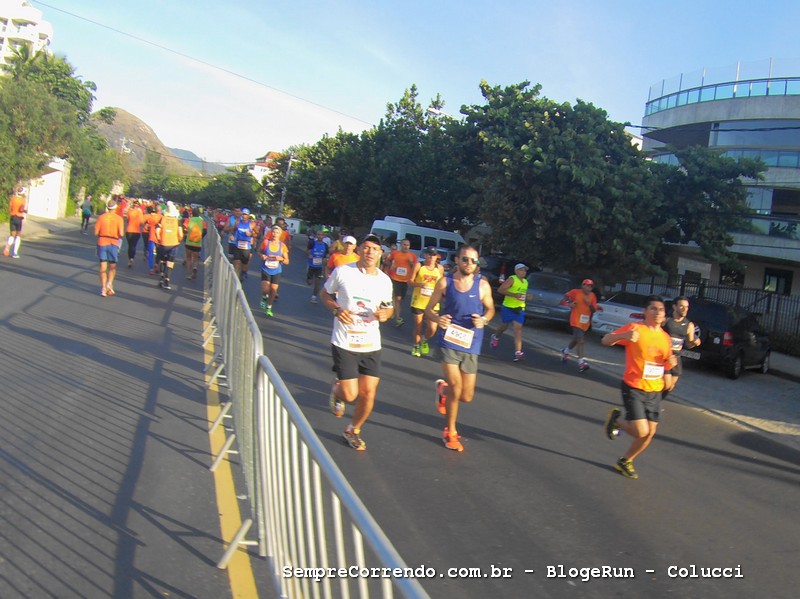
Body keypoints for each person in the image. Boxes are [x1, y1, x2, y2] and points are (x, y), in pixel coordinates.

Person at [320, 234, 394, 451]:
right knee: (351, 394)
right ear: (359, 250)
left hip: (371, 343)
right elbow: (325, 294)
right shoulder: (343, 272)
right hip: (345, 341)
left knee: (369, 392)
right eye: (367, 247)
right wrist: (336, 309)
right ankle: (337, 391)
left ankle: (353, 429)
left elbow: (388, 307)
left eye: (375, 249)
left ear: (381, 254)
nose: (370, 252)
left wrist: (386, 315)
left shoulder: (384, 280)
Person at [425, 245, 495, 452]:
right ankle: (450, 431)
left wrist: (484, 320)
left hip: (472, 343)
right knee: (456, 387)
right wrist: (438, 319)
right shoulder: (445, 282)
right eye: (465, 260)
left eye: (474, 261)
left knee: (466, 396)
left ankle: (442, 390)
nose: (469, 264)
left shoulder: (482, 285)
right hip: (449, 340)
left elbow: (490, 310)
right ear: (457, 260)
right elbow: (428, 309)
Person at [602, 295, 677, 479]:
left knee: (649, 433)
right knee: (641, 431)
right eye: (653, 308)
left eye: (661, 310)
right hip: (634, 386)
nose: (658, 312)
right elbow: (605, 340)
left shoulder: (665, 337)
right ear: (645, 312)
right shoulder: (635, 329)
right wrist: (623, 336)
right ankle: (617, 420)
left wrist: (669, 372)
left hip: (655, 390)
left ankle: (626, 461)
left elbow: (665, 362)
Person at [662, 296, 701, 399]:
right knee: (666, 383)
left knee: (670, 386)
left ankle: (656, 402)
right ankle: (653, 403)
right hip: (664, 356)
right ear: (675, 307)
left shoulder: (689, 325)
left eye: (687, 307)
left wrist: (695, 343)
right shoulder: (666, 320)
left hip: (677, 358)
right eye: (682, 306)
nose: (684, 309)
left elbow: (688, 344)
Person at [409, 247, 444, 357]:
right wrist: (420, 285)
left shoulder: (440, 268)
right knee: (418, 326)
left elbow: (442, 284)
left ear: (436, 256)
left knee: (433, 328)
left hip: (433, 302)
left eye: (433, 255)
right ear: (425, 255)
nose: (431, 257)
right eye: (429, 254)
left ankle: (424, 340)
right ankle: (416, 345)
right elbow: (410, 281)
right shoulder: (419, 266)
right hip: (419, 301)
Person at [490, 263, 529, 362]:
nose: (523, 272)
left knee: (518, 329)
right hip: (508, 307)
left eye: (524, 270)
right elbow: (501, 290)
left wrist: (528, 297)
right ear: (516, 271)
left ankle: (518, 352)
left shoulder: (525, 282)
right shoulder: (512, 279)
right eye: (521, 270)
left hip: (519, 308)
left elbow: (523, 295)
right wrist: (514, 295)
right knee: (504, 326)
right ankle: (496, 336)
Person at [561, 279, 601, 372]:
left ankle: (565, 350)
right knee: (581, 340)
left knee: (576, 339)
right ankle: (581, 362)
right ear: (582, 285)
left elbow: (594, 310)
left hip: (585, 322)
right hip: (575, 320)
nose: (588, 288)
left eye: (591, 286)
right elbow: (566, 296)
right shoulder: (576, 292)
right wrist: (569, 303)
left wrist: (589, 304)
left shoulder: (592, 296)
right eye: (587, 285)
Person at [94, 198, 125, 296]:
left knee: (103, 267)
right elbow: (121, 233)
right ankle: (109, 284)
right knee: (112, 266)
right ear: (115, 208)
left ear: (107, 208)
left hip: (102, 241)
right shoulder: (119, 219)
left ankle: (103, 288)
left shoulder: (101, 217)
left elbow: (95, 232)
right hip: (113, 243)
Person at [384, 239, 418, 326]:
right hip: (395, 278)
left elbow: (416, 268)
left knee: (400, 299)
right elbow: (387, 261)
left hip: (405, 280)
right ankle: (398, 318)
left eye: (407, 245)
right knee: (398, 299)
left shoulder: (413, 256)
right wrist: (391, 266)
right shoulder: (395, 254)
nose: (406, 246)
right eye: (404, 244)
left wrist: (411, 263)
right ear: (401, 245)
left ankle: (395, 310)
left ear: (409, 246)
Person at [259, 225, 290, 317]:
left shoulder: (282, 246)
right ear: (270, 233)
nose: (275, 234)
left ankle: (269, 307)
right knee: (265, 288)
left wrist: (280, 259)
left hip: (276, 270)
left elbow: (287, 261)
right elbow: (259, 251)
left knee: (273, 289)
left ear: (280, 234)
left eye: (277, 233)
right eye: (273, 232)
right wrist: (262, 256)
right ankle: (264, 297)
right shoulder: (265, 243)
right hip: (266, 269)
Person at [155, 202, 183, 290]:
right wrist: (179, 240)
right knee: (170, 263)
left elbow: (157, 231)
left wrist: (159, 239)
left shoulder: (162, 219)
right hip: (173, 244)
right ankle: (167, 280)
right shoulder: (177, 221)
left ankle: (161, 278)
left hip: (163, 243)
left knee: (163, 261)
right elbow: (181, 234)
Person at [231, 208, 256, 282]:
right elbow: (233, 230)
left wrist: (251, 234)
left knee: (244, 266)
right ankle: (236, 280)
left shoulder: (252, 224)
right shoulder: (237, 222)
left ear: (248, 215)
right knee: (237, 263)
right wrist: (232, 235)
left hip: (246, 247)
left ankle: (243, 272)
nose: (244, 216)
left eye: (245, 214)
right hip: (237, 245)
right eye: (243, 214)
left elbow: (258, 234)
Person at [306, 228, 329, 303]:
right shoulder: (312, 243)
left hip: (319, 267)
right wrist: (309, 254)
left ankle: (314, 297)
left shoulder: (325, 245)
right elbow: (307, 250)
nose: (320, 236)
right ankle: (309, 279)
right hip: (310, 265)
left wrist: (325, 260)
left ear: (323, 236)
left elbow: (327, 255)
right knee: (309, 282)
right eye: (318, 234)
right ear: (316, 236)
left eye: (321, 235)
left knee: (317, 282)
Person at [184, 207, 207, 279]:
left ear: (192, 213)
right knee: (196, 258)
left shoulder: (188, 220)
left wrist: (185, 236)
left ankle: (188, 274)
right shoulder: (202, 221)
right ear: (199, 214)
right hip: (197, 243)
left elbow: (184, 229)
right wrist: (200, 237)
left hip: (188, 242)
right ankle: (195, 268)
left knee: (188, 258)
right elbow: (205, 231)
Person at [4, 187, 26, 258]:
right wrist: (24, 210)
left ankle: (7, 247)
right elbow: (21, 209)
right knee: (18, 235)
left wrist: (12, 212)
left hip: (12, 217)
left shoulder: (13, 198)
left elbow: (9, 208)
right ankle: (15, 253)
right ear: (23, 193)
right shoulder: (22, 200)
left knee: (12, 234)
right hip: (18, 218)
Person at [143, 204, 162, 274]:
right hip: (159, 238)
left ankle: (151, 269)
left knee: (150, 253)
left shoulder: (151, 217)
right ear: (160, 211)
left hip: (151, 237)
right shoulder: (162, 218)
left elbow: (146, 227)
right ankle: (156, 263)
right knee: (158, 253)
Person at [124, 200, 143, 267]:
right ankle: (132, 258)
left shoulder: (129, 212)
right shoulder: (140, 213)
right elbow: (141, 223)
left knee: (130, 246)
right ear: (138, 205)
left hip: (129, 230)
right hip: (136, 231)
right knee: (134, 246)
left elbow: (127, 220)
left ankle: (129, 259)